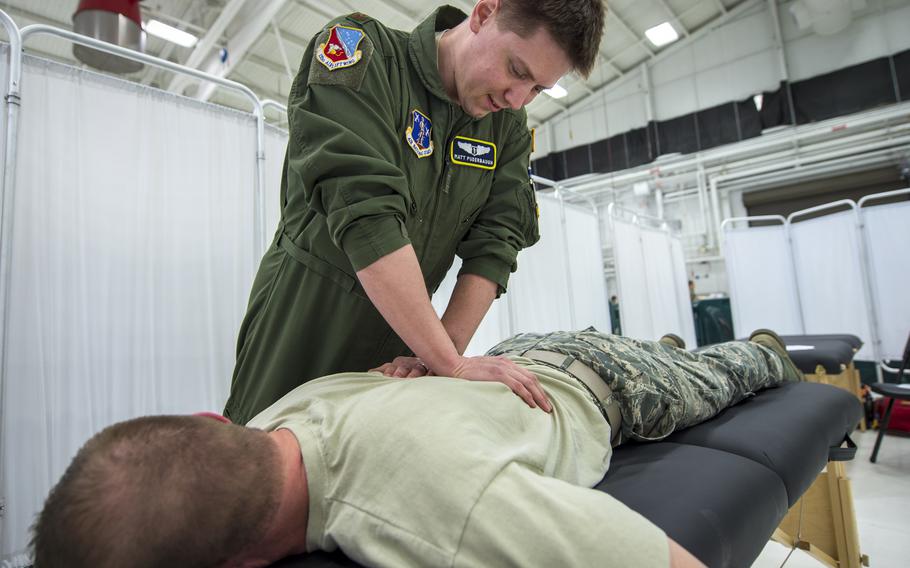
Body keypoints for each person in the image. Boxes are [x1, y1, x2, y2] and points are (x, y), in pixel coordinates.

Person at [32, 329, 802, 567]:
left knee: (732, 369)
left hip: (604, 384)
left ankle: (761, 346)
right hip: (517, 353)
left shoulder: (435, 511)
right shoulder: (278, 416)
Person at [224, 0, 607, 425]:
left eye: (537, 89)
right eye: (517, 70)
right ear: (483, 15)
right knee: (261, 461)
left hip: (404, 354)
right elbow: (365, 214)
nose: (517, 99)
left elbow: (496, 244)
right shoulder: (363, 55)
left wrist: (438, 355)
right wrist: (450, 362)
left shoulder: (507, 128)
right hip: (303, 331)